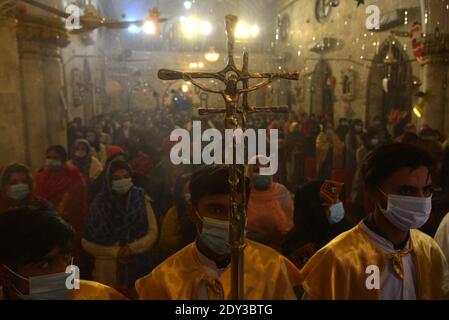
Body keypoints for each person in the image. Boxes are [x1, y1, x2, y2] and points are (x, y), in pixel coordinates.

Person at [299, 143, 449, 299]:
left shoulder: (429, 250)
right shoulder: (337, 259)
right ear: (373, 193)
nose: (420, 200)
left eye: (426, 190)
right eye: (406, 191)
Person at [135, 165, 301, 300]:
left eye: (237, 209)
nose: (229, 220)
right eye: (216, 209)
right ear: (193, 213)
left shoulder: (272, 268)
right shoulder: (164, 280)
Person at [0, 203, 126, 300]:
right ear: (6, 275)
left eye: (66, 258)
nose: (64, 270)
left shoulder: (96, 295)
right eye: (44, 264)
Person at [82, 160, 158, 292]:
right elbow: (86, 242)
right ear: (108, 180)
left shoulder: (141, 199)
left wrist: (131, 248)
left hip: (138, 268)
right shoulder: (99, 204)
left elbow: (152, 232)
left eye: (126, 177)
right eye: (116, 178)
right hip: (107, 272)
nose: (122, 181)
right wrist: (115, 252)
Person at [35, 145, 87, 271]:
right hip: (47, 224)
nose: (51, 160)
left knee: (71, 258)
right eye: (48, 157)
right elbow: (38, 198)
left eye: (55, 157)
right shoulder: (41, 177)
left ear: (63, 160)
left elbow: (76, 197)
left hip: (71, 223)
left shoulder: (73, 175)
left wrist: (60, 214)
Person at [282, 180, 352, 268]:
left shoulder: (346, 230)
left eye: (338, 200)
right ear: (316, 208)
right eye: (333, 202)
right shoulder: (297, 244)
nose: (339, 204)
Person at [246, 158, 294, 251]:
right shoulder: (244, 193)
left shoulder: (280, 191)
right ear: (250, 172)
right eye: (257, 170)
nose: (262, 174)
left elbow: (290, 221)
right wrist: (262, 238)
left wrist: (281, 233)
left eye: (266, 170)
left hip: (277, 250)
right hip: (250, 251)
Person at [158, 174, 196, 261]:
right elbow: (166, 242)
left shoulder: (201, 210)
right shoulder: (174, 212)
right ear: (181, 192)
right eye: (188, 191)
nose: (191, 194)